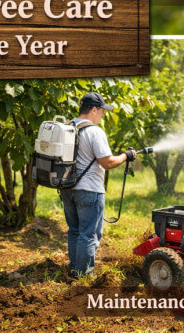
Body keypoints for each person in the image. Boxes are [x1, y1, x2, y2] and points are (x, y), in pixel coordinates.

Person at [60, 92, 130, 278]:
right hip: (89, 190)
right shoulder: (94, 132)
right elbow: (107, 162)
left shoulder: (68, 127)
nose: (103, 115)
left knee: (75, 230)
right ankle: (83, 274)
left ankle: (75, 267)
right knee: (88, 234)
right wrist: (125, 156)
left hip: (67, 188)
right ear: (93, 109)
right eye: (102, 111)